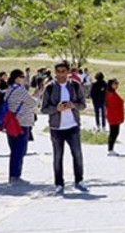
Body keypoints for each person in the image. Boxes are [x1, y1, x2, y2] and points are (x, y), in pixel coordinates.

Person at [41, 61, 88, 195]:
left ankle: (79, 180)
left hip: (73, 126)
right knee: (58, 157)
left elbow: (83, 105)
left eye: (63, 71)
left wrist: (73, 105)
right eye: (58, 71)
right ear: (55, 72)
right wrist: (56, 108)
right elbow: (43, 109)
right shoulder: (49, 87)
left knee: (77, 155)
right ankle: (59, 184)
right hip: (57, 128)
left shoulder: (75, 86)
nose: (61, 74)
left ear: (68, 72)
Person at [5, 69, 39, 185]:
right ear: (17, 78)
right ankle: (15, 176)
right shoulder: (20, 90)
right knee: (19, 151)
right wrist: (37, 95)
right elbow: (33, 103)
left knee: (15, 150)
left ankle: (14, 175)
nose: (24, 79)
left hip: (12, 123)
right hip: (22, 123)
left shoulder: (10, 89)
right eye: (22, 77)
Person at [106, 79, 125, 156]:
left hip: (115, 116)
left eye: (117, 83)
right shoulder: (110, 95)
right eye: (115, 84)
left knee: (115, 133)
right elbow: (113, 107)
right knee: (113, 133)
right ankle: (110, 149)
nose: (116, 85)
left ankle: (111, 149)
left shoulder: (112, 93)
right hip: (113, 116)